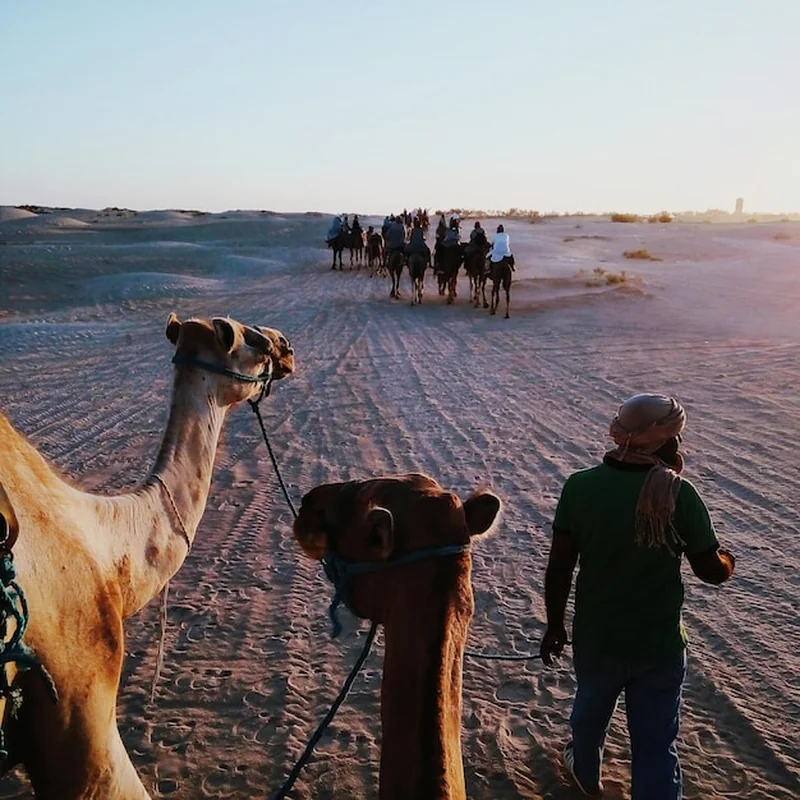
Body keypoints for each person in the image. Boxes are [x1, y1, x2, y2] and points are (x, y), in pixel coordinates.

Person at [541, 394, 736, 799]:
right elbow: (711, 572)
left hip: (597, 637)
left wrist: (555, 625)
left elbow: (559, 567)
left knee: (590, 715)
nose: (679, 447)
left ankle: (586, 774)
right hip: (659, 642)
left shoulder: (580, 487)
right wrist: (727, 559)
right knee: (655, 743)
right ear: (662, 442)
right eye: (675, 438)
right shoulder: (679, 495)